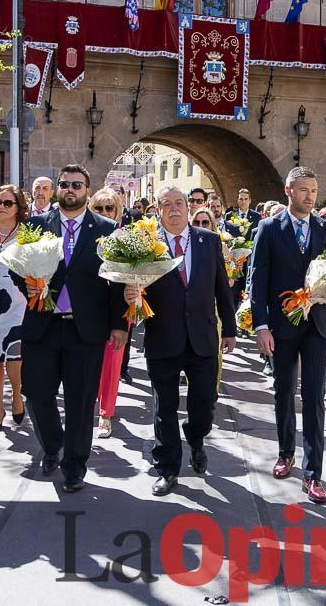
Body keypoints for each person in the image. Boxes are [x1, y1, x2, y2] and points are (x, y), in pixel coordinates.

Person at [18, 165, 128, 493]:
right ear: (56, 190)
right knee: (37, 395)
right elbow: (17, 265)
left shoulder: (107, 229)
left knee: (80, 401)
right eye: (64, 184)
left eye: (76, 185)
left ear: (87, 190)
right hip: (43, 325)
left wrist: (119, 324)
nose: (70, 189)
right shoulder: (36, 225)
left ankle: (75, 465)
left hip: (86, 331)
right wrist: (28, 285)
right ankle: (53, 445)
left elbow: (118, 279)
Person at [126, 187, 236, 496]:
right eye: (166, 204)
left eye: (179, 204)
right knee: (165, 407)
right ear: (157, 210)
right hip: (163, 336)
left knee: (204, 404)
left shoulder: (209, 241)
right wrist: (131, 295)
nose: (174, 209)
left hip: (202, 338)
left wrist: (229, 328)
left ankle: (196, 437)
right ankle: (168, 468)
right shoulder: (145, 245)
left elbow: (221, 290)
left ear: (188, 208)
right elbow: (133, 285)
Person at [249, 166, 326, 504]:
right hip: (282, 325)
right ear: (288, 191)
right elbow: (257, 279)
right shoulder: (269, 228)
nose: (309, 196)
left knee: (315, 395)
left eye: (313, 191)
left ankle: (313, 472)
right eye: (303, 190)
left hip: (316, 324)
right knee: (284, 391)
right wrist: (261, 326)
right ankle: (285, 452)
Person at [0, 184, 29, 433]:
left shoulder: (27, 235)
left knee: (15, 356)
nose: (2, 207)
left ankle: (17, 395)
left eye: (8, 203)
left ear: (18, 207)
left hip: (18, 303)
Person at [88, 188, 129, 438]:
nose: (104, 213)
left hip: (119, 310)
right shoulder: (85, 235)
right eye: (99, 208)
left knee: (112, 364)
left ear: (118, 211)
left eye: (109, 208)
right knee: (88, 363)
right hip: (89, 310)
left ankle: (106, 414)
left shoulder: (126, 238)